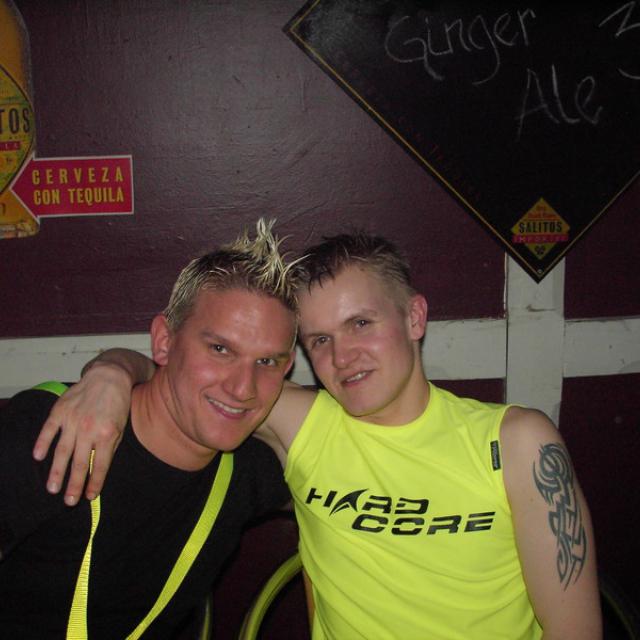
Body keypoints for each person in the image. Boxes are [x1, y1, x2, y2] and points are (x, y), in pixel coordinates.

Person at [35, 232, 602, 639]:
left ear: (414, 318)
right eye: (320, 340)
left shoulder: (519, 444)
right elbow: (185, 375)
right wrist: (110, 373)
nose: (343, 356)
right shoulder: (302, 422)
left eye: (361, 323)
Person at [0, 219, 299, 638]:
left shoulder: (251, 469)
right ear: (164, 341)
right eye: (220, 349)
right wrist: (114, 367)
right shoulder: (55, 428)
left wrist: (116, 365)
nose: (242, 388)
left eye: (266, 362)